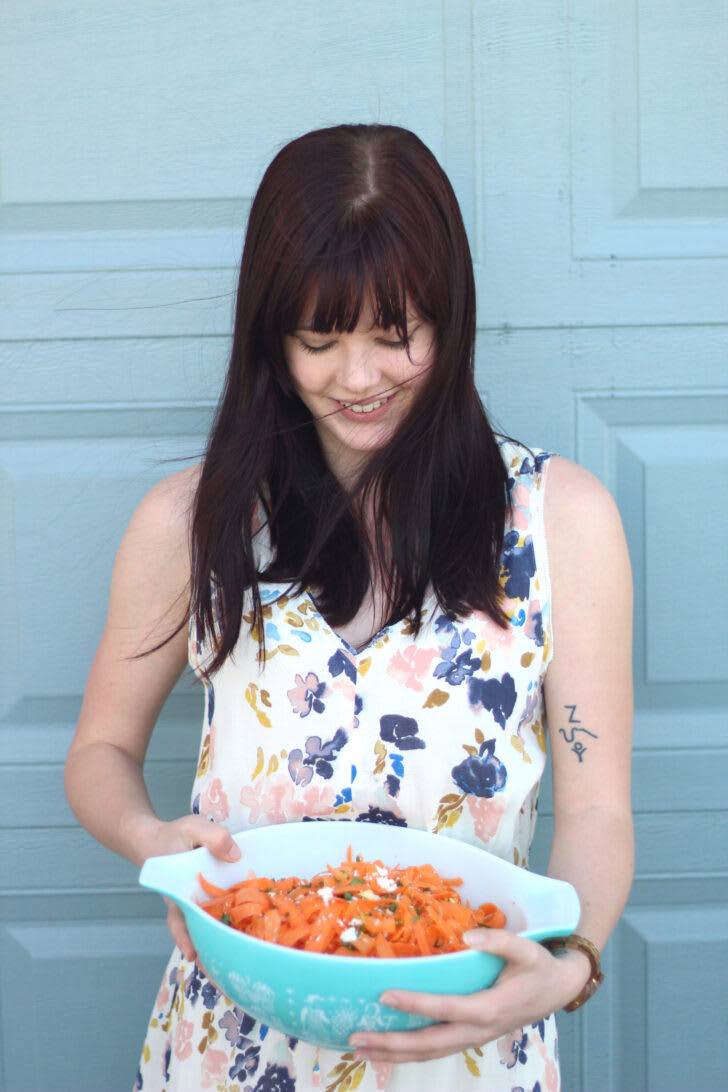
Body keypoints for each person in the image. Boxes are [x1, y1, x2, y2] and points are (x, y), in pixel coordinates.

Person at [65, 123, 634, 1092]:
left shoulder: (558, 521)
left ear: (447, 319)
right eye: (318, 341)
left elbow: (595, 804)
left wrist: (567, 963)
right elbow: (99, 754)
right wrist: (152, 840)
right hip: (230, 1050)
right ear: (269, 336)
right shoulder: (189, 523)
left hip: (466, 1047)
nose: (359, 379)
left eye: (394, 334)